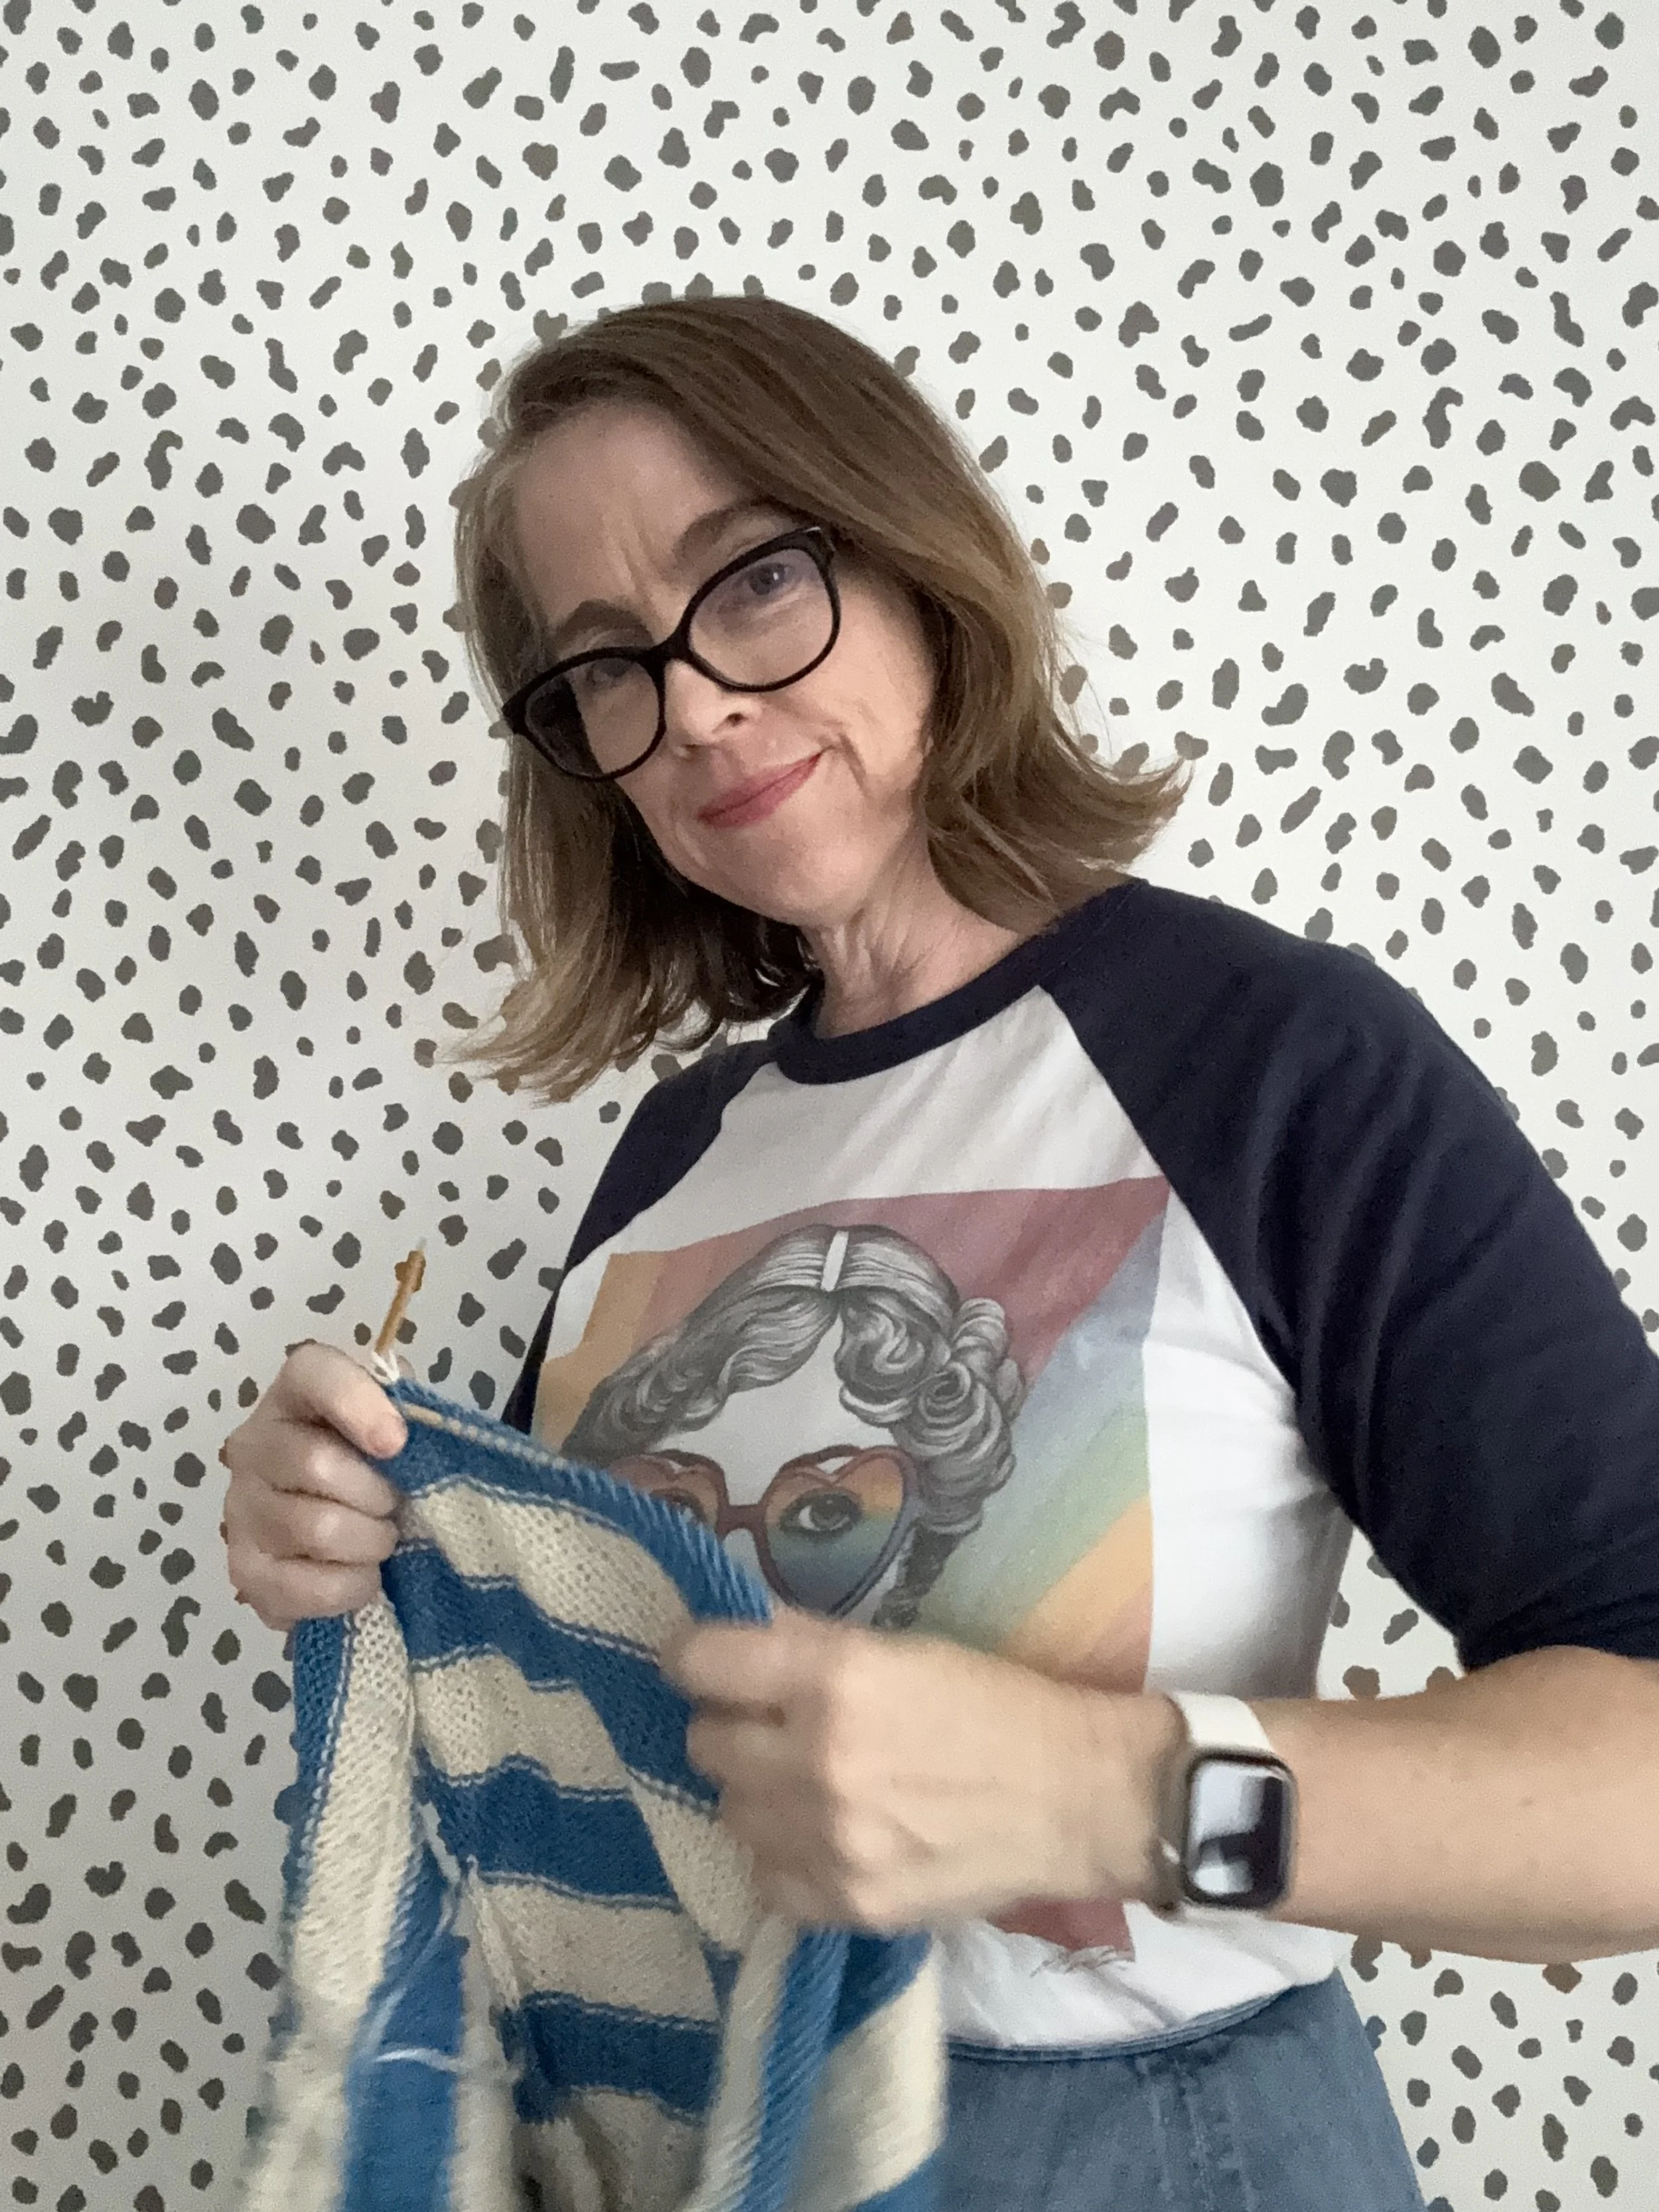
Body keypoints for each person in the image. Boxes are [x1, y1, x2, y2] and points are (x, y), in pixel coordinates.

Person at [221, 295, 1659, 2211]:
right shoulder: (669, 1156)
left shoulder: (1273, 1062)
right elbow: (572, 1740)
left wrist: (1093, 1789)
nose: (698, 705)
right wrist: (354, 1539)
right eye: (604, 675)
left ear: (910, 556)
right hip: (710, 2147)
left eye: (749, 582)